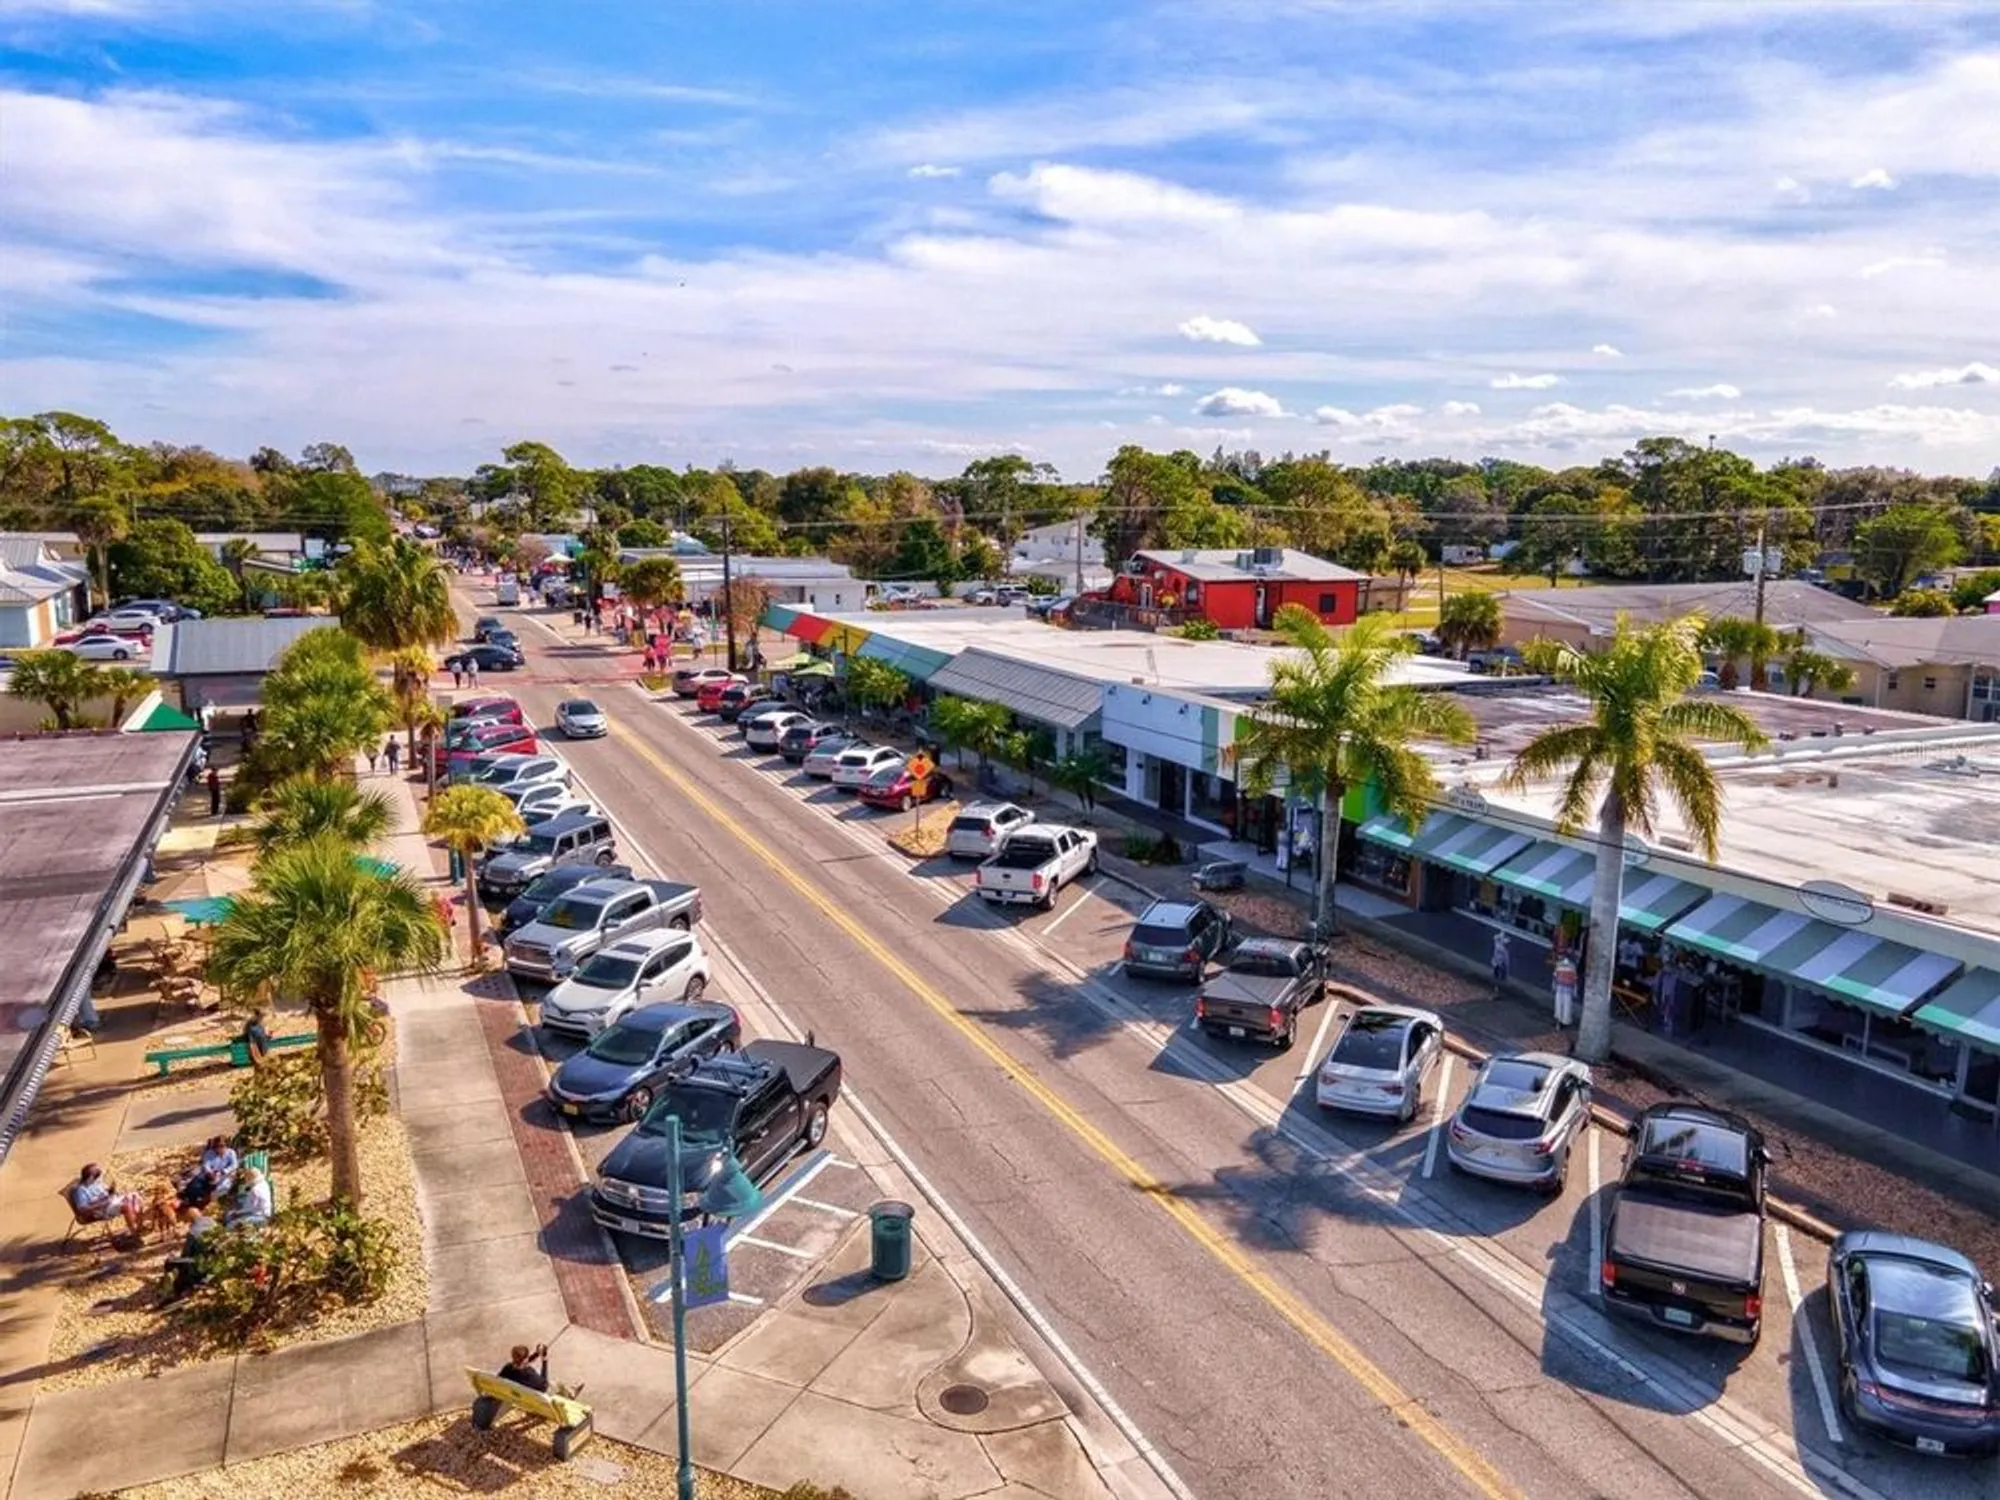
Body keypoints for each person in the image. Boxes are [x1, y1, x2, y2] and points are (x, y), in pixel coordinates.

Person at [69, 1163, 143, 1235]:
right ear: (90, 1177)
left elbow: (105, 1193)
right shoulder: (81, 1190)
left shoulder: (96, 1183)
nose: (100, 1176)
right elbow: (82, 1209)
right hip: (101, 1209)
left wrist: (110, 1191)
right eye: (97, 1174)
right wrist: (102, 1204)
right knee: (126, 1206)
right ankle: (134, 1230)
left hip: (110, 1201)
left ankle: (138, 1224)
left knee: (135, 1196)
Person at [166, 1214, 220, 1300]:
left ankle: (178, 1293)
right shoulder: (216, 1229)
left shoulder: (193, 1234)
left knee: (174, 1264)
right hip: (216, 1270)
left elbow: (186, 1256)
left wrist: (172, 1260)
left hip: (198, 1273)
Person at [179, 1135, 239, 1210]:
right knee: (193, 1187)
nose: (219, 1148)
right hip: (208, 1175)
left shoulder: (231, 1153)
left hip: (223, 1176)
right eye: (217, 1146)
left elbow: (234, 1165)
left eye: (222, 1146)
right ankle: (192, 1204)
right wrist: (210, 1173)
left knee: (222, 1189)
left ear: (226, 1146)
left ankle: (206, 1201)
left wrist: (223, 1171)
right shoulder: (209, 1153)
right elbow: (206, 1164)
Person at [1552, 953, 1579, 1029]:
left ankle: (1558, 1021)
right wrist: (1575, 990)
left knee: (1559, 1004)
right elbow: (1574, 979)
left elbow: (1555, 976)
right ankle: (1564, 1021)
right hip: (1568, 989)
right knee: (1567, 1005)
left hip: (1559, 987)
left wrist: (1554, 986)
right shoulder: (1572, 966)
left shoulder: (1558, 965)